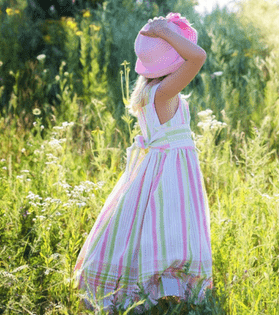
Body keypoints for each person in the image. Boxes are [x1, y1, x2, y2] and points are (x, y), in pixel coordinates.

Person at [73, 12, 213, 313]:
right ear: (173, 58)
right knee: (170, 228)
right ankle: (165, 286)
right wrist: (164, 31)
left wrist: (162, 34)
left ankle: (161, 287)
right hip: (171, 172)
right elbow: (198, 57)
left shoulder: (151, 92)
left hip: (157, 167)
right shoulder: (164, 93)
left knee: (146, 227)